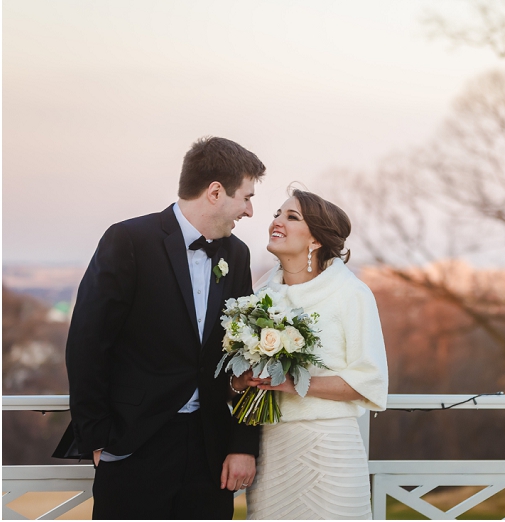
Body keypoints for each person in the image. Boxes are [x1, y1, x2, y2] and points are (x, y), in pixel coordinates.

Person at [63, 137, 266, 519]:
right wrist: (97, 439)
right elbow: (88, 345)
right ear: (215, 192)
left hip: (210, 451)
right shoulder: (129, 240)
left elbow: (246, 356)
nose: (250, 211)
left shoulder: (236, 254)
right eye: (246, 197)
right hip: (133, 443)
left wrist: (242, 445)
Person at [238, 188, 388, 520]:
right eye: (278, 213)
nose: (277, 221)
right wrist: (242, 380)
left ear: (316, 240)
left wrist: (294, 383)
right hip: (271, 448)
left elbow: (370, 382)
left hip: (328, 449)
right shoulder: (260, 293)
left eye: (291, 217)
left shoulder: (351, 294)